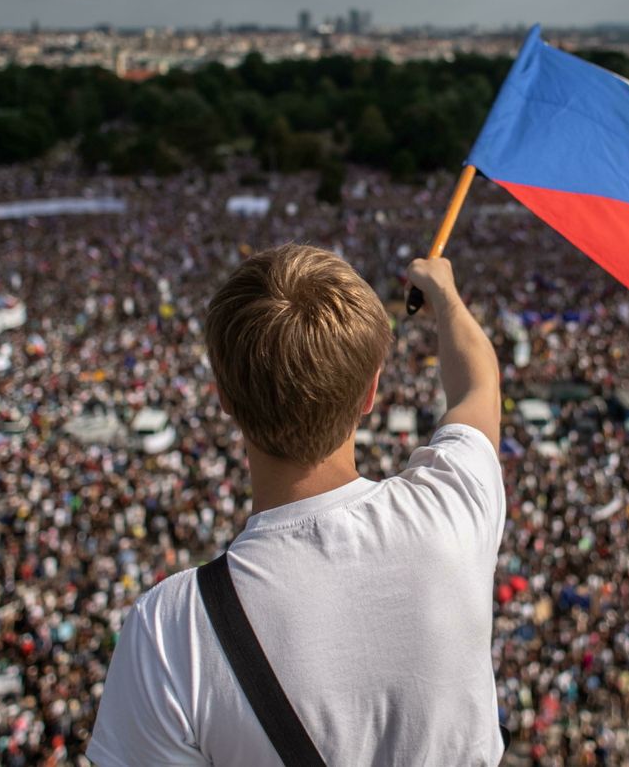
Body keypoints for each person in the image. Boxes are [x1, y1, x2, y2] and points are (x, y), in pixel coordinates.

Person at [87, 244, 505, 766]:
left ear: (223, 398)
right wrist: (444, 296)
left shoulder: (170, 630)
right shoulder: (452, 512)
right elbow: (479, 388)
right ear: (370, 391)